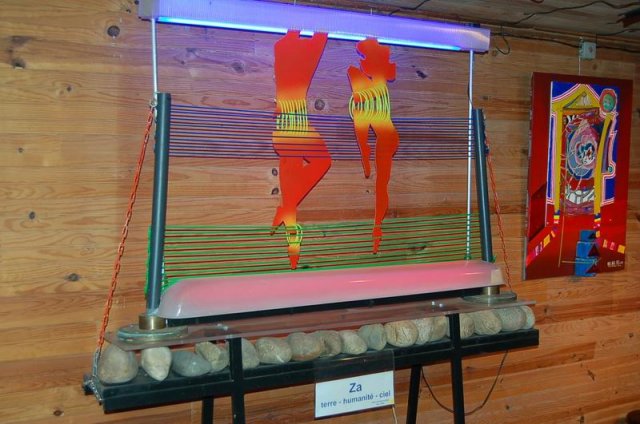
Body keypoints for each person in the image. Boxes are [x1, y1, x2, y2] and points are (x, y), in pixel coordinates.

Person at [272, 30, 331, 269]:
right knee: (299, 176)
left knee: (319, 163)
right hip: (290, 128)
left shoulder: (283, 48)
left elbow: (318, 39)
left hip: (294, 125)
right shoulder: (284, 48)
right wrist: (321, 29)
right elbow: (319, 39)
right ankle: (292, 245)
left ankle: (286, 213)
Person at [348, 38, 399, 253]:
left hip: (387, 138)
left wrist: (366, 159)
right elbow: (361, 131)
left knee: (381, 186)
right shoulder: (368, 84)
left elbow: (362, 131)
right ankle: (377, 229)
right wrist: (365, 159)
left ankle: (377, 229)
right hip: (386, 137)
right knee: (381, 186)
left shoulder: (371, 85)